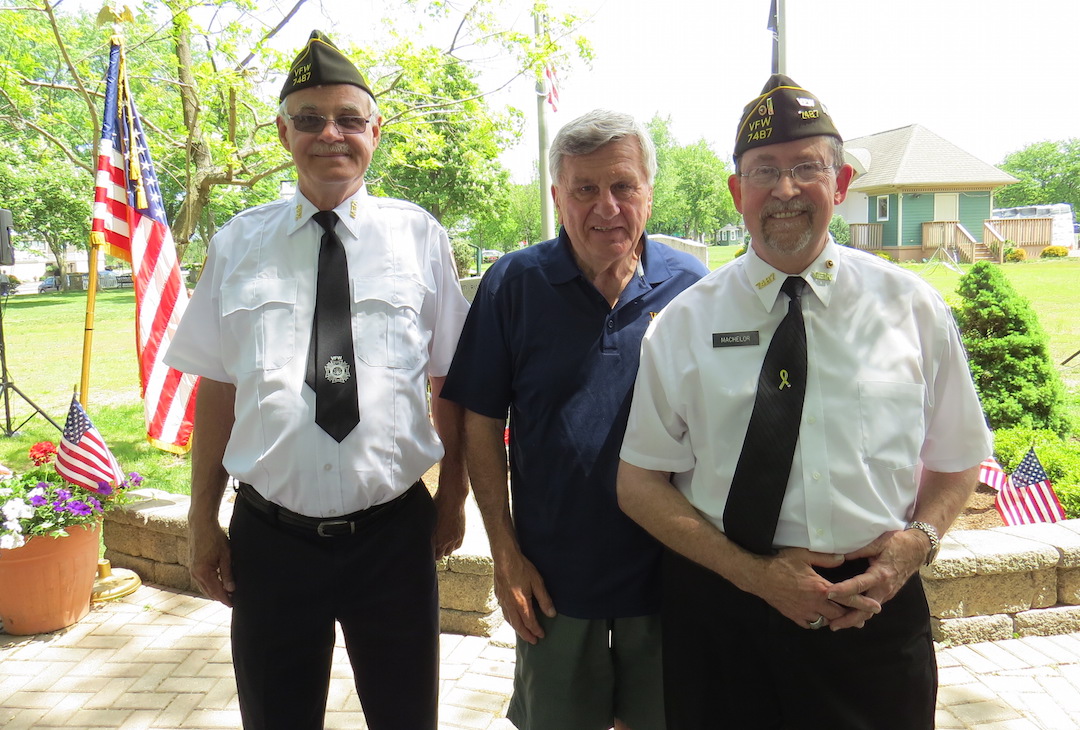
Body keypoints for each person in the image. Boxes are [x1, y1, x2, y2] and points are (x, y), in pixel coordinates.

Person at [616, 74, 993, 730]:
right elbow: (638, 484)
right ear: (737, 192)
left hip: (872, 614)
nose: (785, 189)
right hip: (724, 618)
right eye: (764, 170)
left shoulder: (911, 310)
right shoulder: (682, 325)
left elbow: (959, 456)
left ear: (840, 184)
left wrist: (917, 543)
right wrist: (756, 576)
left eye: (806, 168)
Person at [165, 31, 470, 730]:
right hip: (271, 541)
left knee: (406, 718)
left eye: (348, 119)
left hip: (393, 536)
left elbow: (449, 379)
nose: (330, 133)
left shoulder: (419, 237)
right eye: (309, 119)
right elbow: (218, 387)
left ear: (375, 131)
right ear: (283, 133)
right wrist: (201, 518)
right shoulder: (238, 243)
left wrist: (453, 498)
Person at [442, 109, 708, 730]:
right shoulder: (513, 284)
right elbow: (479, 421)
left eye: (623, 186)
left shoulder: (694, 290)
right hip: (553, 583)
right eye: (585, 188)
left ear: (648, 192)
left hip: (670, 577)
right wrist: (504, 553)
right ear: (558, 197)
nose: (606, 206)